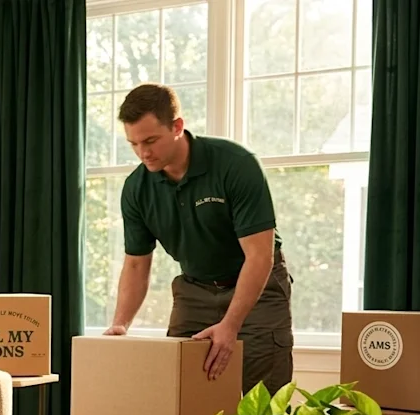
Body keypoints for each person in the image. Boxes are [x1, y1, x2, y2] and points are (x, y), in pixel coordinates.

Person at [104, 83, 294, 394]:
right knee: (180, 395)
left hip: (257, 287)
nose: (143, 153)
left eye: (151, 140)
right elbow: (137, 265)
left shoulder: (235, 164)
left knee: (263, 401)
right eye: (134, 144)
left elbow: (260, 256)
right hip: (194, 289)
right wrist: (121, 324)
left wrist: (230, 326)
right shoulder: (137, 189)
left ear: (177, 126)